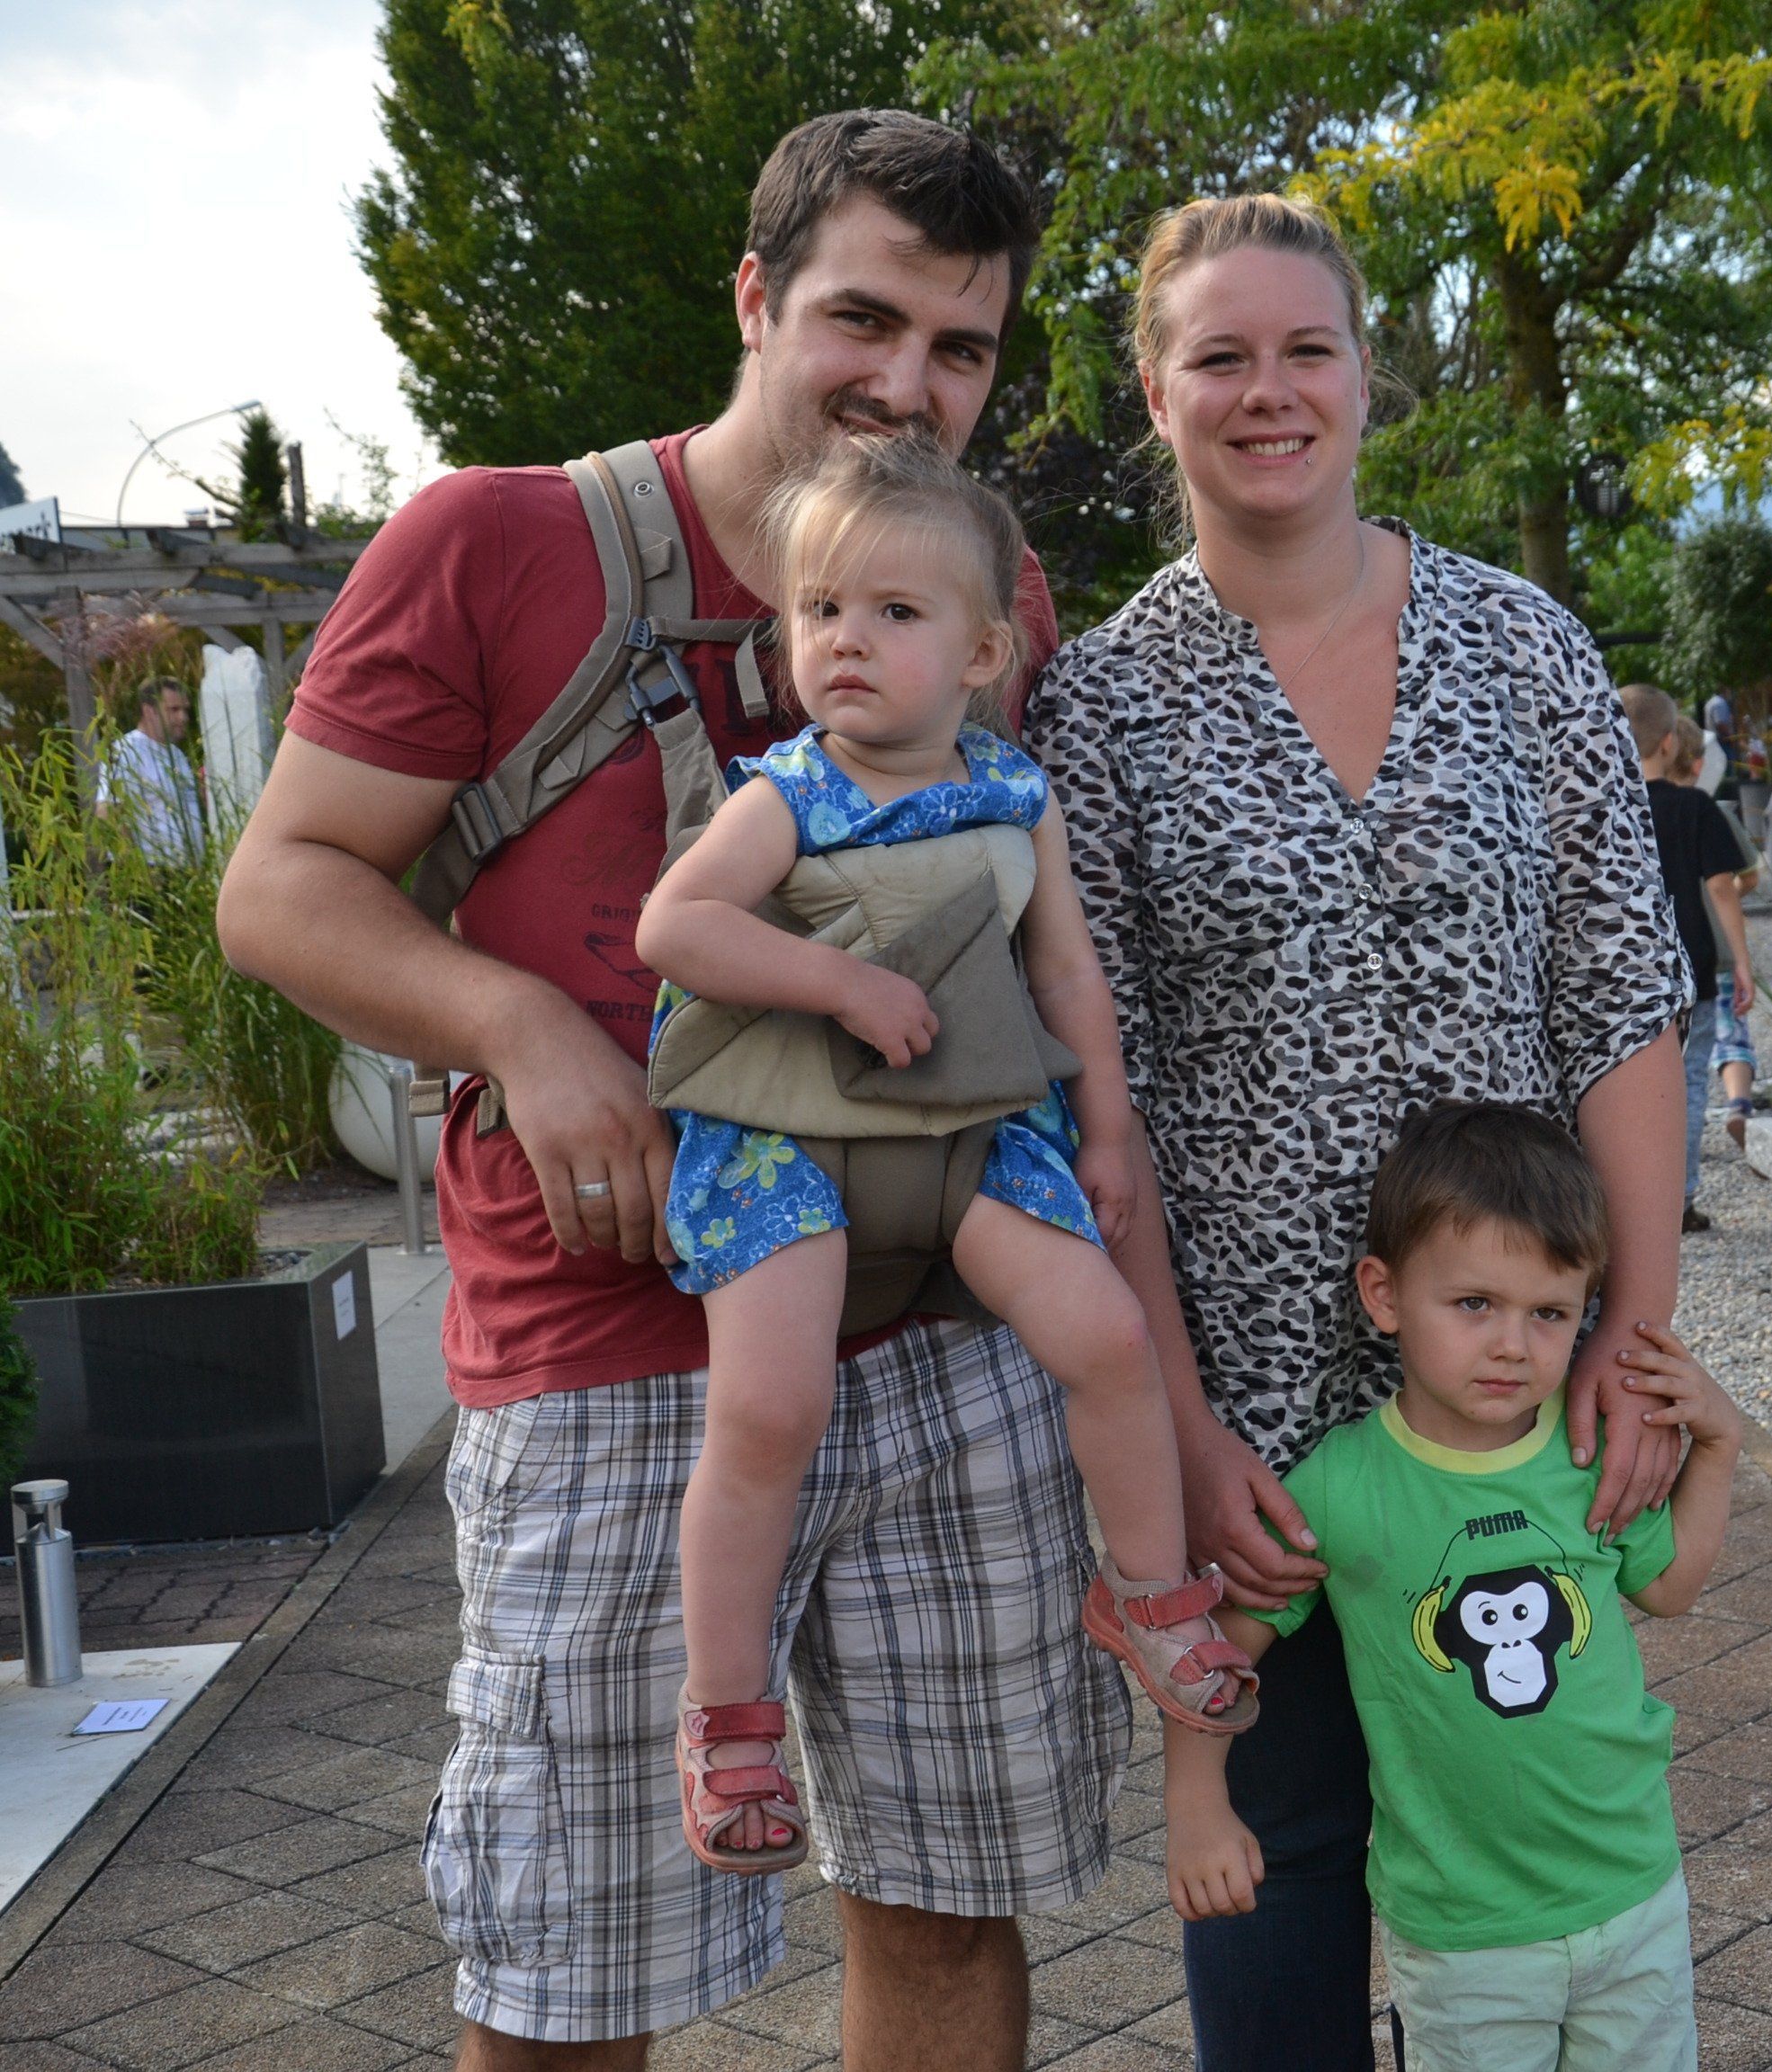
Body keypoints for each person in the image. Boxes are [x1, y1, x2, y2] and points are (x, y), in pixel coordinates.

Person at [218, 111, 1127, 2069]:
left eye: (960, 348)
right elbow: (280, 886)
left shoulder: (998, 588)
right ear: (754, 296)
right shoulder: (499, 543)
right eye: (862, 319)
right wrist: (528, 1032)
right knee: (574, 1974)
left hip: (941, 1327)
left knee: (951, 1910)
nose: (907, 384)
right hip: (607, 1354)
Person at [1026, 193, 1694, 2071]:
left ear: (1365, 376)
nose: (1268, 391)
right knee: (1282, 1858)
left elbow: (1622, 1008)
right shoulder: (1106, 706)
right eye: (1219, 354)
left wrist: (1628, 1348)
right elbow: (1105, 1105)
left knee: (1537, 1857)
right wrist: (1175, 1418)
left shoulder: (1526, 649)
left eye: (1304, 348)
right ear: (1155, 389)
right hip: (1262, 1420)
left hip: (1504, 1389)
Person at [635, 440, 1253, 1877]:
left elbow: (1072, 981)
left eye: (895, 614)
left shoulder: (1017, 795)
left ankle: (1150, 1600)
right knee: (771, 1407)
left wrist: (1106, 1133)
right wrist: (841, 986)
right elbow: (679, 928)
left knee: (1106, 1337)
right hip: (785, 1132)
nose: (846, 637)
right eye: (822, 609)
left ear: (984, 651)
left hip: (969, 1128)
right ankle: (728, 1708)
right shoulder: (787, 792)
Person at [1166, 1103, 1739, 2072]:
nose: (1514, 1345)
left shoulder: (1582, 1451)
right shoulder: (1341, 1488)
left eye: (1549, 1313)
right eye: (1475, 1304)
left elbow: (1672, 1587)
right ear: (1384, 1296)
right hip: (1466, 1932)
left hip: (1633, 1893)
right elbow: (1219, 1647)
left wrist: (1719, 1449)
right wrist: (1195, 1800)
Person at [1624, 684, 1751, 1235]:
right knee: (1688, 1084)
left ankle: (1624, 1205)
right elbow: (1723, 887)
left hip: (1620, 970)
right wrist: (1741, 963)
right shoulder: (1693, 807)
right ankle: (1678, 1201)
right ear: (1671, 743)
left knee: (1622, 1089)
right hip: (1687, 968)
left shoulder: (1600, 807)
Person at [1669, 723, 1761, 1149]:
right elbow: (1748, 877)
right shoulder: (1711, 810)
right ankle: (1739, 1103)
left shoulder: (1634, 808)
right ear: (1700, 764)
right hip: (1717, 948)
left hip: (1668, 955)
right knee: (1730, 1033)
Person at [96, 676, 202, 867]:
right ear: (149, 711)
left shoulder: (177, 755)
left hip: (186, 874)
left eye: (185, 710)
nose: (183, 718)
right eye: (174, 710)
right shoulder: (126, 751)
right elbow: (109, 812)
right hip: (152, 872)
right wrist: (136, 871)